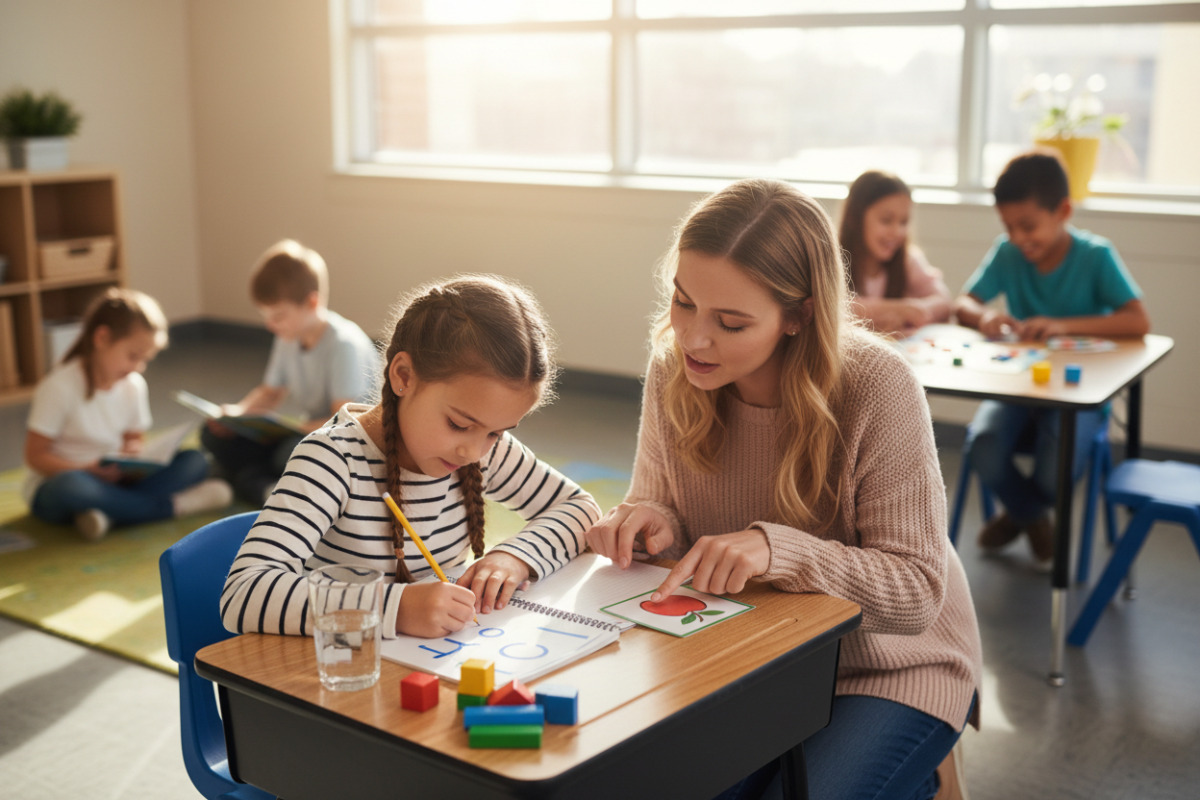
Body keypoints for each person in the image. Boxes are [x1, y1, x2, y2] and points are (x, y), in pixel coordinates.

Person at [586, 179, 982, 800]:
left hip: (886, 665)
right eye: (683, 302)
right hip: (752, 653)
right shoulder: (675, 369)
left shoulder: (877, 386)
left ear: (798, 316)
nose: (693, 338)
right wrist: (653, 521)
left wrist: (781, 551)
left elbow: (917, 592)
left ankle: (922, 774)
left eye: (731, 322)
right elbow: (660, 504)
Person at [221, 274, 602, 639]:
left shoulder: (486, 451)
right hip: (344, 679)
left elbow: (579, 508)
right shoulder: (332, 460)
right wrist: (395, 609)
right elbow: (244, 594)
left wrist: (515, 558)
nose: (473, 452)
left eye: (497, 432)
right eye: (457, 424)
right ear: (403, 375)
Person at [954, 150, 1150, 568]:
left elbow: (1138, 320)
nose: (1019, 238)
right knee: (983, 445)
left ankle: (1019, 515)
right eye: (1009, 227)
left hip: (1081, 393)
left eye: (1028, 226)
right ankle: (1032, 517)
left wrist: (1064, 326)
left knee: (1053, 470)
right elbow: (963, 303)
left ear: (1063, 211)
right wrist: (985, 315)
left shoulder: (1096, 256)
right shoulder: (1006, 253)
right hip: (1019, 386)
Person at [23, 288, 232, 540]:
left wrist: (133, 454)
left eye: (144, 359)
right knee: (73, 486)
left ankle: (108, 512)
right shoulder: (58, 387)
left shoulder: (133, 385)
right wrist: (86, 469)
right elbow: (36, 456)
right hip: (64, 481)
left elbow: (133, 438)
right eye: (132, 356)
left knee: (195, 460)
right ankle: (176, 506)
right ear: (101, 338)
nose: (138, 367)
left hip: (114, 481)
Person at [200, 239, 379, 506]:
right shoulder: (288, 336)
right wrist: (237, 415)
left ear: (312, 302)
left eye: (279, 316)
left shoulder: (344, 344)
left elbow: (344, 421)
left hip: (347, 444)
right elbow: (271, 392)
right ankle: (262, 484)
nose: (270, 326)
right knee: (213, 434)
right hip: (307, 431)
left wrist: (289, 430)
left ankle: (248, 480)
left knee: (288, 452)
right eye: (266, 317)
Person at [839, 169, 952, 336]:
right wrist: (897, 309)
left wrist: (915, 311)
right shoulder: (832, 259)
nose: (897, 232)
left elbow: (944, 301)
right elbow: (830, 308)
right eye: (886, 220)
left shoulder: (908, 260)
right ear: (854, 217)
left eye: (904, 222)